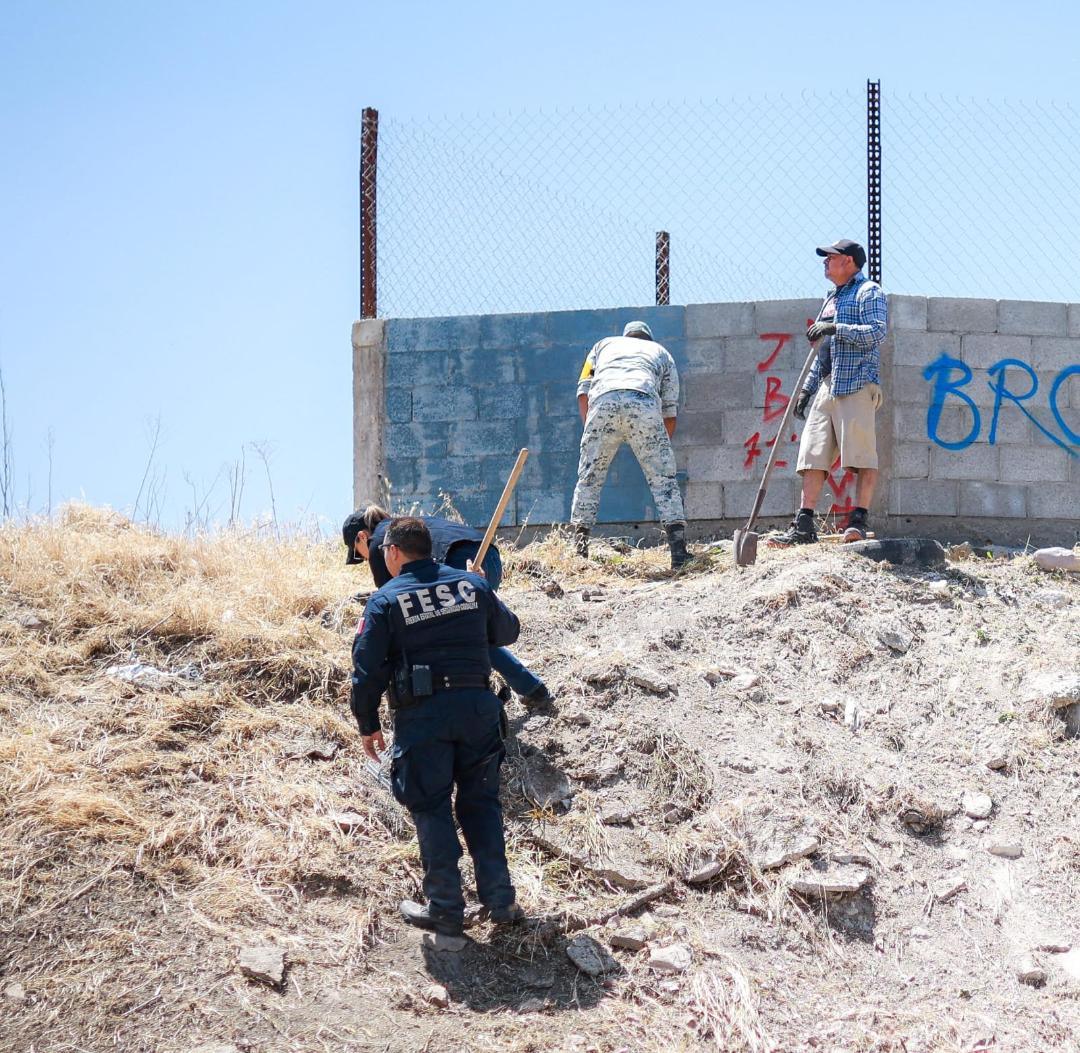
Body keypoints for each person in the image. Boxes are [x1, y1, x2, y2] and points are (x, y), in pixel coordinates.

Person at [349, 516, 525, 936]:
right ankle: (500, 901)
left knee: (430, 806)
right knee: (481, 804)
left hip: (423, 717)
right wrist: (481, 586)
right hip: (479, 711)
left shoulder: (385, 600)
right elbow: (508, 631)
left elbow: (366, 669)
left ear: (392, 552)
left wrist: (367, 722)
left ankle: (445, 907)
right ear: (429, 549)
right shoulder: (471, 586)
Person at [343, 506, 554, 708]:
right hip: (488, 555)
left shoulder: (384, 542)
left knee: (461, 629)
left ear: (362, 536)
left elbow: (394, 598)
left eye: (358, 554)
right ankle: (530, 688)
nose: (365, 557)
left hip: (458, 560)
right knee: (471, 629)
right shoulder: (405, 527)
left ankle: (529, 689)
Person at [773, 239, 888, 545]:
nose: (825, 262)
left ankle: (859, 520)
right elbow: (822, 352)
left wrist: (835, 328)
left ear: (848, 261)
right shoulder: (830, 299)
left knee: (861, 455)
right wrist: (806, 391)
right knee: (812, 454)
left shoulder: (869, 291)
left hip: (857, 383)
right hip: (827, 386)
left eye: (830, 257)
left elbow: (877, 332)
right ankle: (804, 525)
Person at [570, 320, 688, 568]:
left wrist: (591, 435)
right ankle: (678, 554)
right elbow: (669, 413)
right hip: (643, 400)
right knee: (664, 482)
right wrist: (658, 454)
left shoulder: (602, 345)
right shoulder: (662, 353)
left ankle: (579, 553)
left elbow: (583, 392)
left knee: (589, 478)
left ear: (626, 336)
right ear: (648, 338)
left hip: (602, 401)